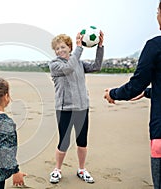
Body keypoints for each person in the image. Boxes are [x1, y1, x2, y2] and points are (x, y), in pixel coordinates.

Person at [104, 2, 161, 188]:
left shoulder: (155, 46)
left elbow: (135, 85)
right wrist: (148, 93)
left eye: (157, 11)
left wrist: (113, 93)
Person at [48, 32, 104, 184]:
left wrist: (100, 47)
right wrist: (79, 48)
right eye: (57, 48)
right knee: (64, 142)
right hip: (64, 109)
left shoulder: (79, 62)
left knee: (82, 141)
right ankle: (57, 169)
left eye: (63, 47)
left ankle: (81, 169)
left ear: (70, 47)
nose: (60, 50)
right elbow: (69, 68)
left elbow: (97, 66)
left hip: (82, 108)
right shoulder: (54, 65)